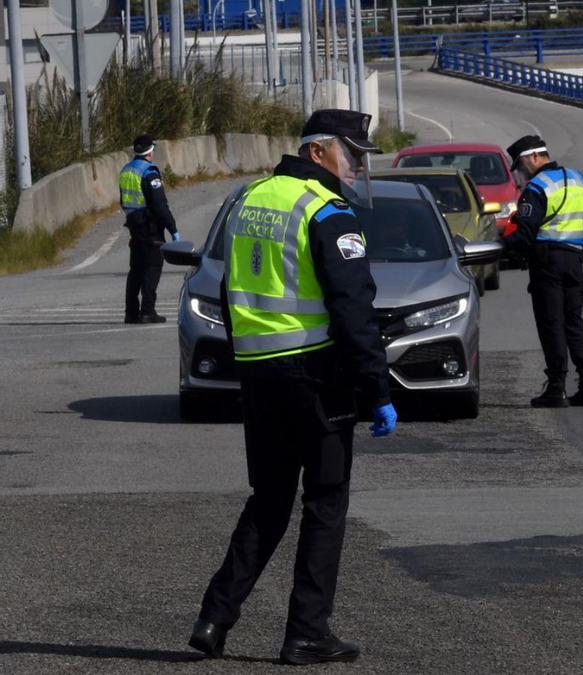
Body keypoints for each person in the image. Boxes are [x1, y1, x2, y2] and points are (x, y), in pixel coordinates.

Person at [188, 109, 398, 666]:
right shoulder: (326, 211)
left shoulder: (248, 201)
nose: (355, 167)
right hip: (316, 374)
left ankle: (213, 619)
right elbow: (354, 310)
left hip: (258, 374)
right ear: (317, 152)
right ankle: (306, 632)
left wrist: (247, 358)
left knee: (270, 500)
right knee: (326, 502)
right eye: (351, 155)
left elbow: (231, 290)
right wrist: (377, 389)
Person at [502, 135, 583, 408]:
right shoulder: (578, 179)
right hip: (575, 261)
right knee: (573, 323)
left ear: (534, 157)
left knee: (551, 324)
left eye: (520, 164)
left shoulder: (537, 186)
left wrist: (500, 247)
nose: (520, 171)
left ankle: (557, 387)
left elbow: (525, 234)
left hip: (547, 263)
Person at [120, 134, 178, 324]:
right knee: (152, 267)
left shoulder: (126, 171)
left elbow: (124, 200)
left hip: (134, 226)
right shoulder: (149, 172)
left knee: (135, 269)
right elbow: (160, 205)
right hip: (150, 227)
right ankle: (147, 311)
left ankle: (131, 312)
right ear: (150, 151)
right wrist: (173, 229)